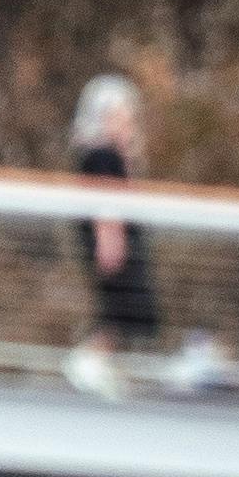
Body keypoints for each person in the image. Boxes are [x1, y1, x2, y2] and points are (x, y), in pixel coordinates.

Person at [62, 71, 160, 399]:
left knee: (127, 310)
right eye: (122, 113)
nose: (128, 120)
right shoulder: (103, 155)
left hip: (117, 242)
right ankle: (89, 359)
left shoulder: (107, 154)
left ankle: (100, 364)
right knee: (124, 306)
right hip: (115, 244)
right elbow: (107, 204)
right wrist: (110, 241)